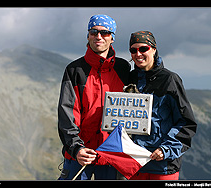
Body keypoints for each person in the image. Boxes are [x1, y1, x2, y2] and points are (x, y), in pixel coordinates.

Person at [57, 14, 130, 180]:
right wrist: (76, 149)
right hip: (81, 155)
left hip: (113, 155)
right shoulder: (74, 70)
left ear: (112, 37)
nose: (98, 36)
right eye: (93, 32)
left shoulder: (123, 68)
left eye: (104, 33)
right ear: (88, 35)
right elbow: (67, 113)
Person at [128, 31, 197, 180]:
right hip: (134, 164)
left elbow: (186, 123)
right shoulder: (129, 79)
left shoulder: (170, 79)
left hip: (163, 165)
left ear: (153, 49)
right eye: (133, 50)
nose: (138, 54)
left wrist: (166, 149)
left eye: (143, 49)